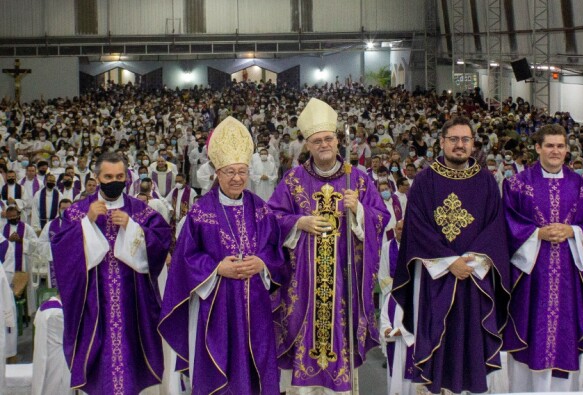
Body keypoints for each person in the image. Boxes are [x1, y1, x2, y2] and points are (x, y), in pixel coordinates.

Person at [159, 116, 288, 394]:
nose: (237, 178)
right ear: (217, 172)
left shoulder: (261, 209)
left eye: (242, 171)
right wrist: (217, 268)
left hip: (256, 307)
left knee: (258, 371)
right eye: (230, 172)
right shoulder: (200, 212)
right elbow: (185, 259)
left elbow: (276, 253)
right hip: (217, 308)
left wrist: (262, 263)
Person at [268, 98, 389, 394]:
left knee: (340, 338)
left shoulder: (357, 180)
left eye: (328, 138)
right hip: (304, 285)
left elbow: (381, 217)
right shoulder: (293, 181)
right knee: (305, 343)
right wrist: (299, 223)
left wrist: (359, 209)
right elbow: (273, 218)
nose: (324, 144)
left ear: (337, 141)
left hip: (344, 284)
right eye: (317, 140)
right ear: (307, 145)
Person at [392, 116, 510, 394]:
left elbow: (495, 226)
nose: (460, 145)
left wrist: (470, 261)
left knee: (472, 339)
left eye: (465, 140)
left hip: (474, 274)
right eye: (454, 140)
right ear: (441, 143)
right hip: (436, 276)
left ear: (473, 144)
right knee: (437, 337)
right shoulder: (423, 180)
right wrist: (449, 261)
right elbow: (416, 226)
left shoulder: (486, 181)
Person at [50, 152, 173, 394]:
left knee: (130, 360)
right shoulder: (78, 212)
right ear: (97, 177)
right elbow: (60, 248)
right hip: (93, 306)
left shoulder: (139, 211)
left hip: (132, 303)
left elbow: (161, 241)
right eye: (108, 176)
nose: (114, 181)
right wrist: (87, 222)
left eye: (119, 176)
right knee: (99, 366)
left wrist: (132, 227)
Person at [502, 124, 583, 391]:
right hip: (531, 278)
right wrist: (536, 234)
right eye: (550, 145)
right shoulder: (517, 185)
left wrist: (573, 231)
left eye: (560, 146)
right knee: (529, 336)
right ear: (537, 148)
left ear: (567, 149)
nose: (555, 151)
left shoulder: (581, 186)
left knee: (564, 339)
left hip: (568, 278)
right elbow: (507, 223)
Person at [378, 220, 419, 395]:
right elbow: (383, 273)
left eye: (403, 229)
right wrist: (396, 288)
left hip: (412, 291)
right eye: (398, 228)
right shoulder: (388, 247)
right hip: (393, 293)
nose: (400, 231)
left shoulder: (415, 246)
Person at [0, 205, 39, 315]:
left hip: (24, 263)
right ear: (6, 217)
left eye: (14, 216)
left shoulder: (26, 228)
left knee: (25, 288)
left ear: (18, 215)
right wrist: (9, 239)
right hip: (7, 265)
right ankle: (10, 312)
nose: (12, 218)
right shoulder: (3, 228)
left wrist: (21, 240)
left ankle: (25, 313)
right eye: (10, 217)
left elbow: (35, 243)